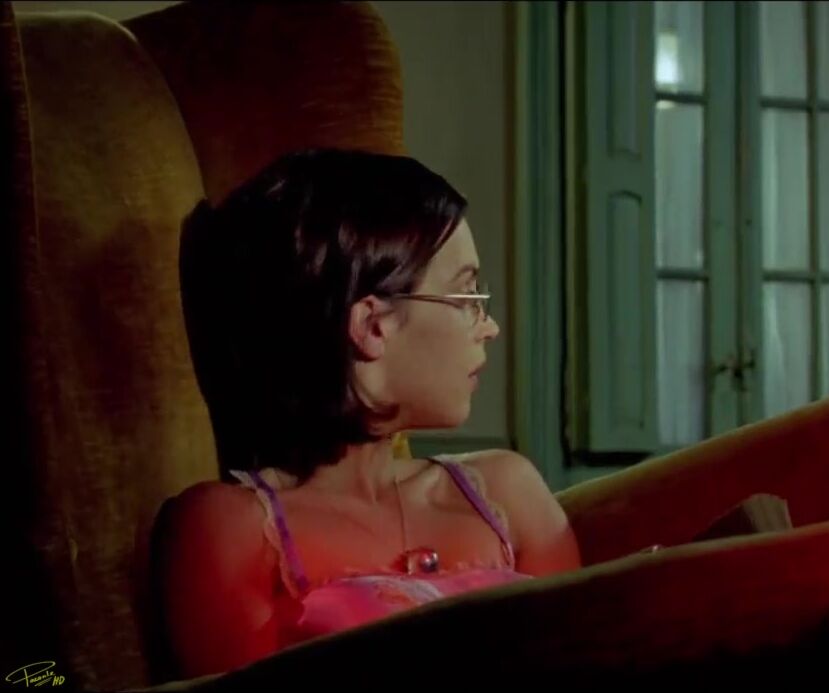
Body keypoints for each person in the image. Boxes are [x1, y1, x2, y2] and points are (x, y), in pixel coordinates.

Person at [151, 149, 581, 679]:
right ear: (372, 326)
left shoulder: (510, 494)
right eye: (467, 294)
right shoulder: (229, 529)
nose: (488, 326)